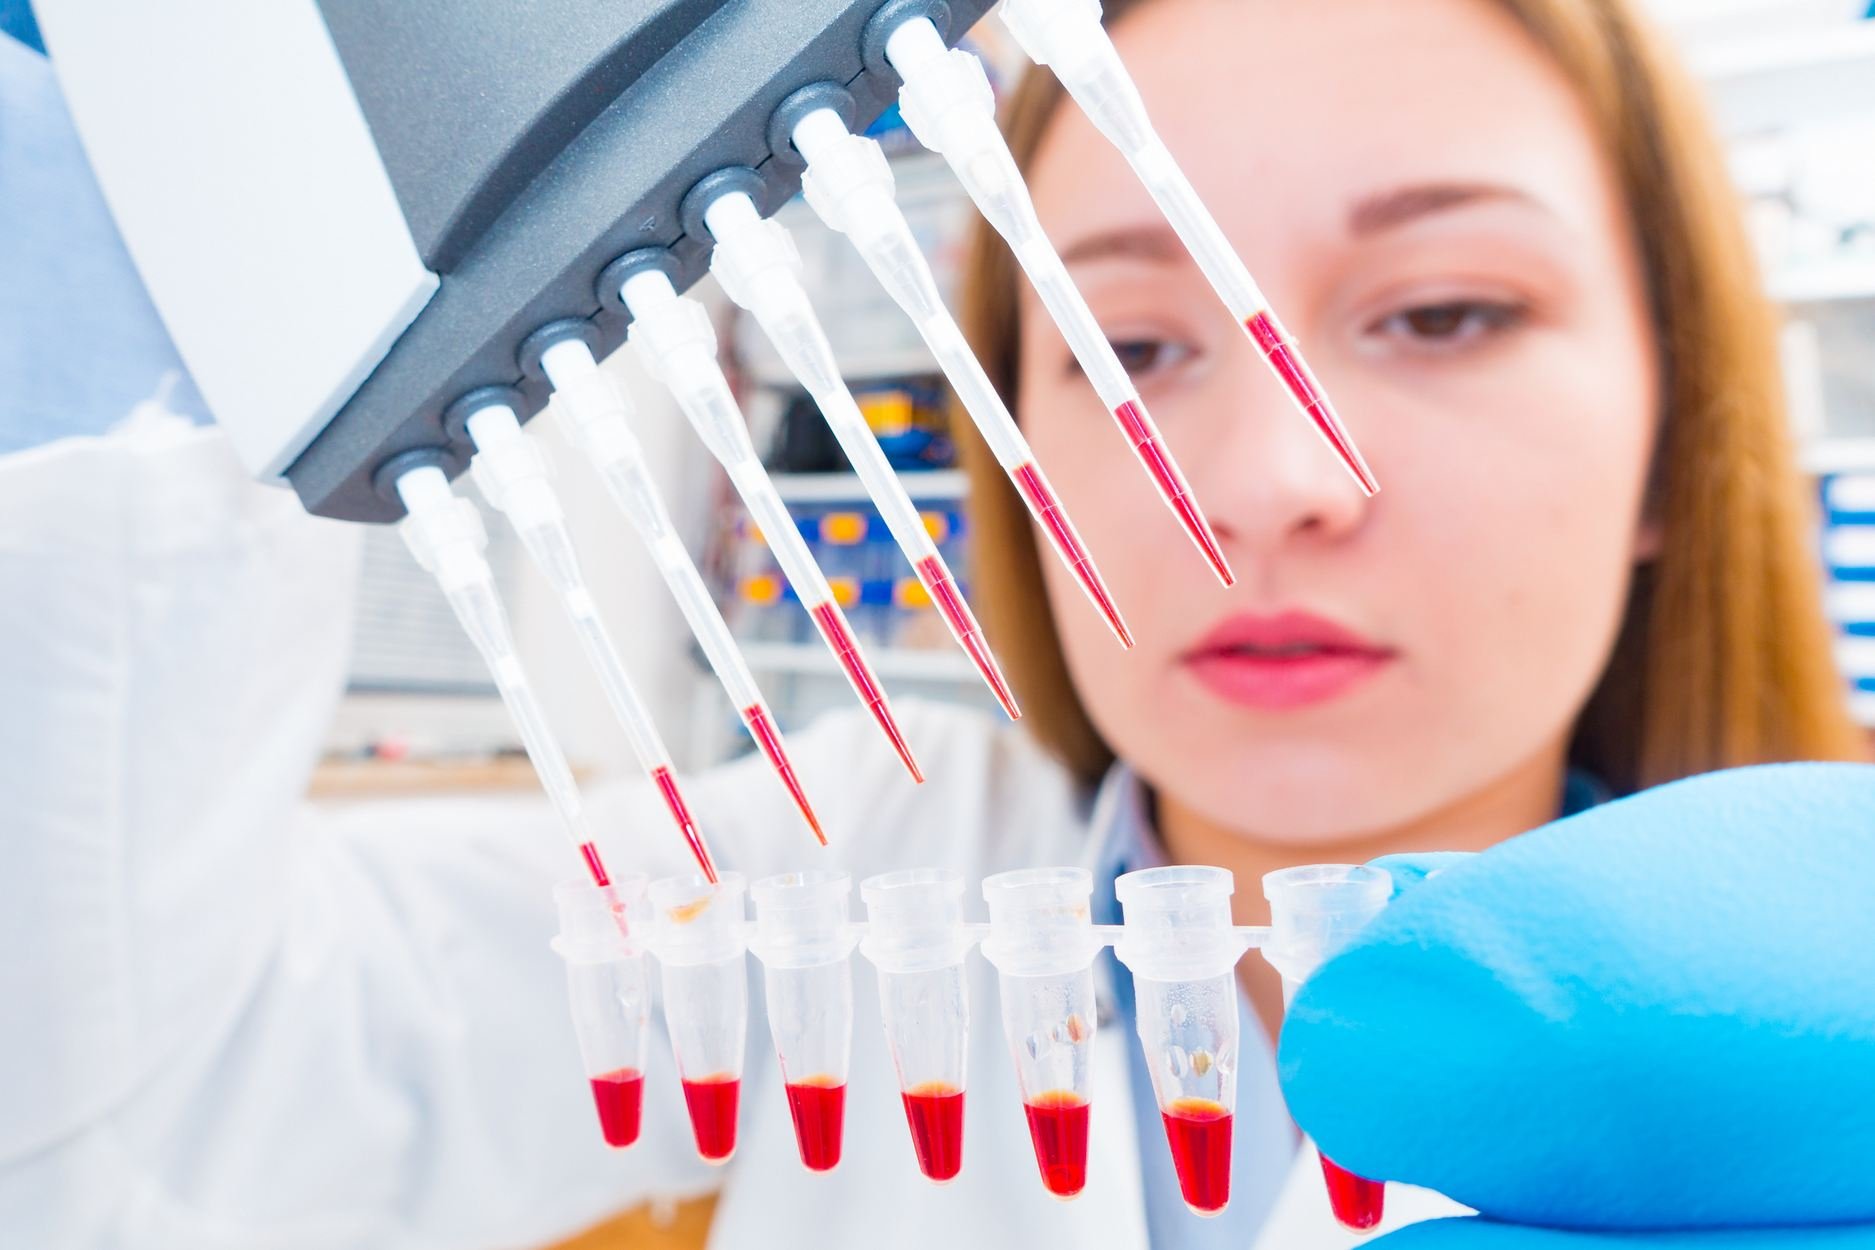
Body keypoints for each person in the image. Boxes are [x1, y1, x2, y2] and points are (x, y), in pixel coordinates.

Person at [2, 1, 1869, 1248]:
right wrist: (123, 239)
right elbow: (137, 1111)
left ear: (1671, 432)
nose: (1269, 480)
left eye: (1444, 311)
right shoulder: (828, 881)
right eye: (1126, 343)